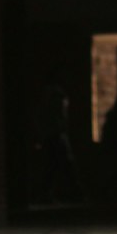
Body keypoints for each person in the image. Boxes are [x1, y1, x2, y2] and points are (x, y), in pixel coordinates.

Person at [35, 75, 80, 203]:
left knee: (53, 164)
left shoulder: (50, 94)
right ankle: (74, 193)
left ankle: (48, 193)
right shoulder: (56, 95)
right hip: (56, 133)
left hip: (53, 133)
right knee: (62, 163)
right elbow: (59, 116)